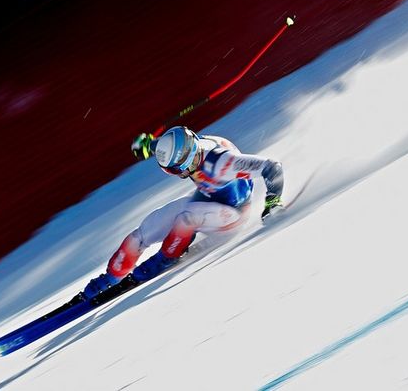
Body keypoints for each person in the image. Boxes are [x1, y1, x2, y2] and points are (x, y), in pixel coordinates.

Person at [82, 126, 285, 299]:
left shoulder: (224, 163)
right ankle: (110, 278)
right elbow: (168, 145)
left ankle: (164, 259)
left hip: (233, 216)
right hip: (207, 200)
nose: (177, 174)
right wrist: (149, 145)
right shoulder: (185, 147)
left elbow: (272, 167)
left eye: (176, 170)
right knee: (144, 230)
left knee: (187, 218)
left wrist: (273, 202)